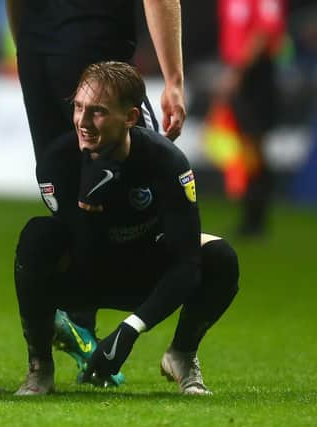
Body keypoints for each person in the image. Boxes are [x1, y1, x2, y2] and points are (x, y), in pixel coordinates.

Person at [14, 61, 239, 395]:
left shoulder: (166, 162)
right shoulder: (57, 163)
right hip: (86, 274)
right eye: (78, 108)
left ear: (131, 118)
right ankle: (39, 368)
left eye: (98, 112)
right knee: (36, 236)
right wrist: (87, 205)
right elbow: (82, 250)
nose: (83, 122)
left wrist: (129, 330)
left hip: (144, 273)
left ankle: (181, 354)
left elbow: (187, 263)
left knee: (220, 256)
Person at [5, 0, 187, 378]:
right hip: (96, 55)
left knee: (68, 194)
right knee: (147, 179)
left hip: (37, 53)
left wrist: (26, 44)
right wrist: (174, 80)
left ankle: (67, 330)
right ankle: (120, 323)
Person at [216, 0, 286, 236]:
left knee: (254, 147)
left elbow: (263, 32)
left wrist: (237, 72)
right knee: (247, 148)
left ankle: (256, 218)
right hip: (244, 72)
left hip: (256, 75)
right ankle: (252, 216)